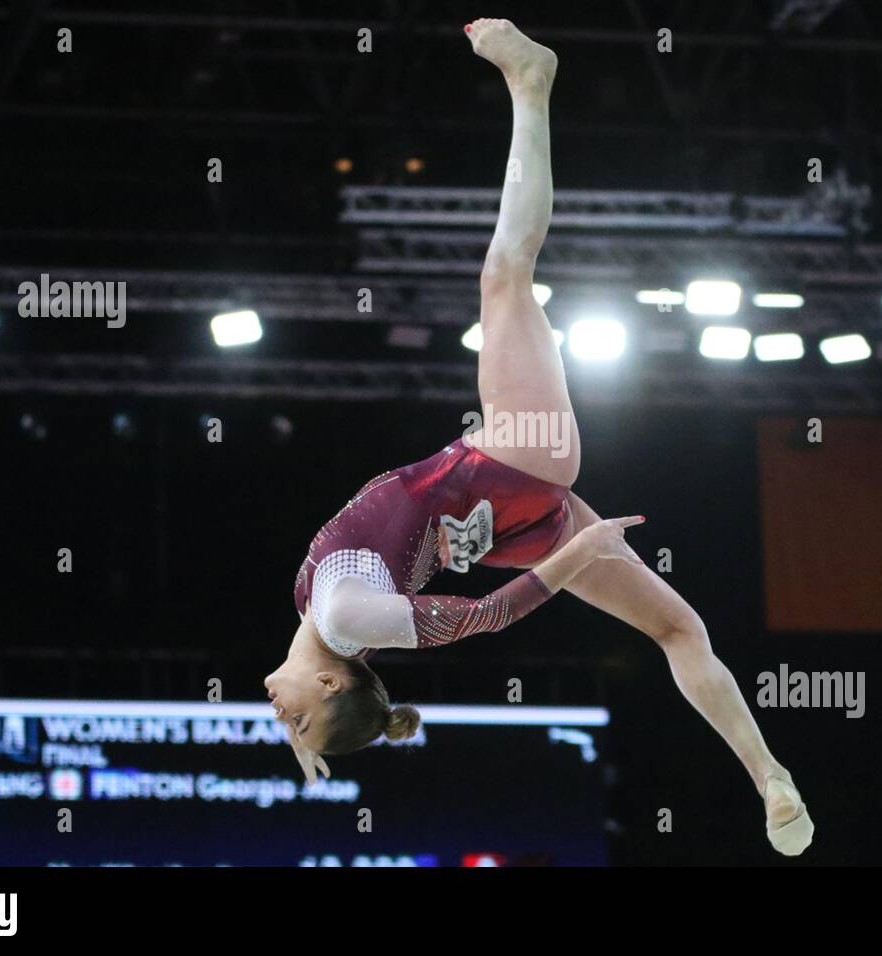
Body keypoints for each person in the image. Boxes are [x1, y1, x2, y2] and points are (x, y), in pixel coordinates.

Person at [264, 18, 813, 856]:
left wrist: (315, 735)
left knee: (678, 631)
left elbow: (433, 596)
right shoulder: (342, 614)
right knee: (505, 271)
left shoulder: (323, 616)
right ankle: (531, 81)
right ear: (335, 679)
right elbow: (485, 616)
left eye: (288, 722)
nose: (279, 712)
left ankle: (771, 778)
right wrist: (579, 547)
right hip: (515, 463)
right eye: (300, 712)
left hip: (507, 518)